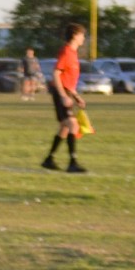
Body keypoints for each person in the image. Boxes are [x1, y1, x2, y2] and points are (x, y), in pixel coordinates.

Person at [42, 23, 87, 174]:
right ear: (75, 35)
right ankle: (72, 163)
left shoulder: (73, 54)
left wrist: (76, 96)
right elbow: (56, 74)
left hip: (67, 93)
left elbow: (69, 80)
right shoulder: (66, 52)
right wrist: (62, 96)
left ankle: (49, 159)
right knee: (73, 125)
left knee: (65, 127)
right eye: (82, 35)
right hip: (60, 93)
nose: (83, 38)